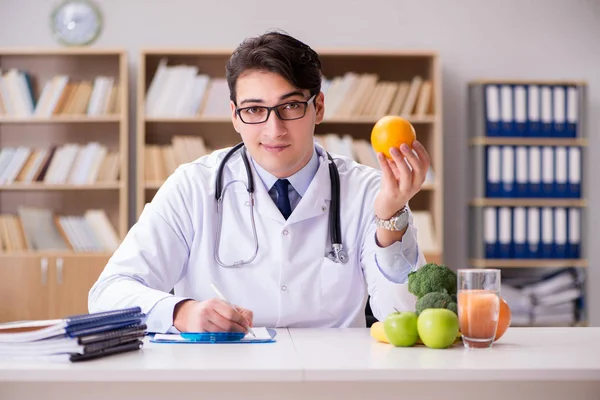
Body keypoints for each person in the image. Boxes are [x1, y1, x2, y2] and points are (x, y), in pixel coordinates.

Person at [88, 31, 431, 334]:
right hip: (222, 375)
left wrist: (390, 219)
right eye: (254, 110)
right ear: (235, 115)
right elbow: (108, 293)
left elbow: (406, 317)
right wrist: (180, 311)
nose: (274, 129)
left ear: (319, 107)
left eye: (291, 106)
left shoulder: (370, 191)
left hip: (332, 380)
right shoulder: (192, 186)